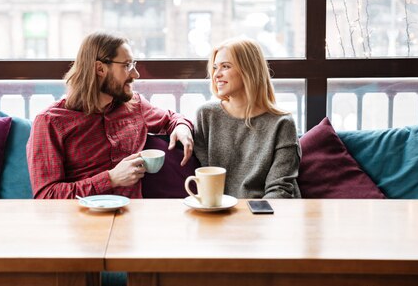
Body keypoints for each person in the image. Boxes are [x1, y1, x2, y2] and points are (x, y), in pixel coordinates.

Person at [27, 31, 194, 199]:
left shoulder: (134, 106)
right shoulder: (49, 122)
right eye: (127, 65)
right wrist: (111, 179)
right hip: (80, 221)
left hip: (132, 217)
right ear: (100, 68)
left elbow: (171, 118)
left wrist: (182, 127)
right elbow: (45, 196)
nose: (135, 74)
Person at [193, 37, 301, 199]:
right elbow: (205, 179)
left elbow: (279, 189)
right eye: (215, 68)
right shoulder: (206, 115)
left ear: (249, 70)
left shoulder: (282, 123)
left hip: (267, 213)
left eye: (226, 66)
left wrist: (250, 221)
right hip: (219, 211)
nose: (216, 75)